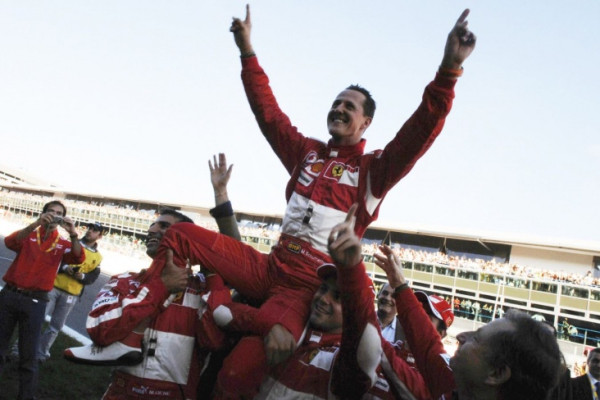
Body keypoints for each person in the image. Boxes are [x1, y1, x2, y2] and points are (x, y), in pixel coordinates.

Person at [141, 6, 476, 397]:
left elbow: (419, 133)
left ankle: (228, 320)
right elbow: (268, 113)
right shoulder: (307, 152)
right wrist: (247, 51)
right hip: (268, 265)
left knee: (235, 372)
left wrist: (449, 71)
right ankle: (138, 313)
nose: (339, 108)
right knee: (181, 234)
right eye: (336, 102)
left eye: (349, 106)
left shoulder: (373, 171)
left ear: (366, 123)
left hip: (302, 288)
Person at [198, 205, 432, 399]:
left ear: (352, 310)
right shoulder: (290, 327)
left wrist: (353, 272)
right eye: (323, 288)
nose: (323, 298)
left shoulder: (342, 360)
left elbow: (362, 352)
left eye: (338, 297)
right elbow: (223, 313)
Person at [64, 155, 238, 399]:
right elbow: (100, 330)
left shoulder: (203, 288)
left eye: (164, 226)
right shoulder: (123, 280)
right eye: (153, 225)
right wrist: (159, 288)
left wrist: (221, 197)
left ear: (187, 238)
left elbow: (215, 341)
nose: (152, 230)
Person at [375, 242, 563, 400]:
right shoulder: (454, 383)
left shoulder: (446, 383)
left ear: (496, 373)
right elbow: (427, 344)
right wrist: (399, 285)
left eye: (477, 338)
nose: (461, 336)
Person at [0, 200, 84, 400]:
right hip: (10, 295)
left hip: (35, 302)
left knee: (29, 353)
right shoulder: (30, 234)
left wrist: (73, 233)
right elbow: (10, 242)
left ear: (63, 218)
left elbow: (78, 257)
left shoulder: (63, 243)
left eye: (58, 213)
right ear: (43, 213)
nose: (54, 215)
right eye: (50, 211)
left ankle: (26, 396)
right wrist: (37, 223)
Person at [37, 221, 105, 361]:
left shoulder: (98, 257)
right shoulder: (71, 243)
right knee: (37, 318)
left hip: (71, 294)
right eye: (89, 228)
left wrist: (82, 276)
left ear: (100, 236)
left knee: (55, 326)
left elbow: (93, 276)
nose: (90, 231)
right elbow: (56, 258)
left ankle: (41, 353)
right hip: (53, 287)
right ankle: (19, 350)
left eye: (94, 230)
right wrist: (64, 268)